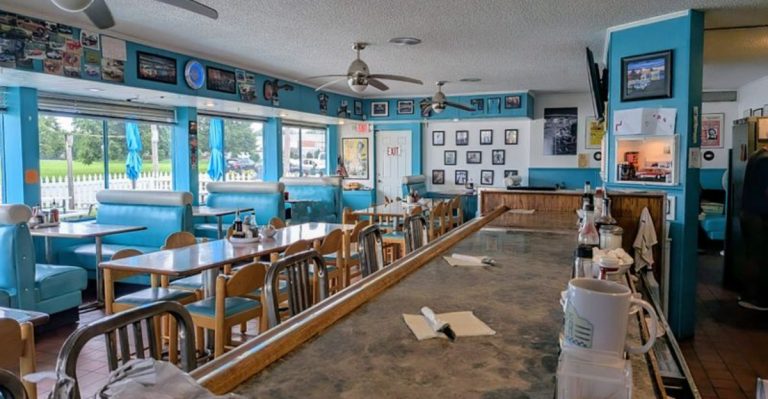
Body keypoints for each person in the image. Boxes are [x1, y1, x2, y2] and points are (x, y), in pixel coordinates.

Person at [739, 146, 768, 311]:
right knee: (760, 257)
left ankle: (748, 294)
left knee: (752, 255)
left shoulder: (756, 155)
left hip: (749, 213)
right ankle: (757, 298)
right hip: (759, 215)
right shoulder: (766, 160)